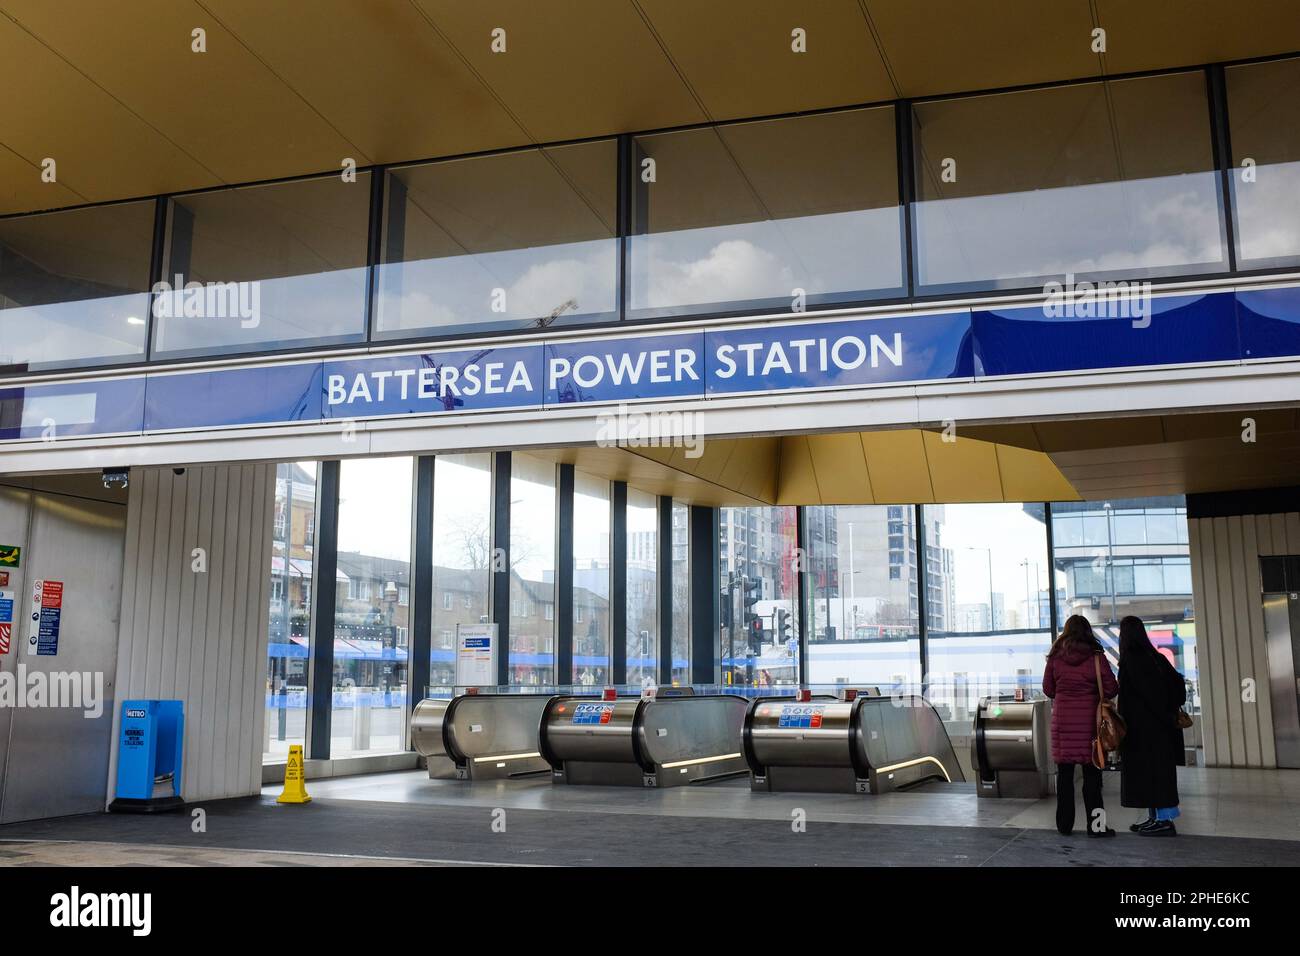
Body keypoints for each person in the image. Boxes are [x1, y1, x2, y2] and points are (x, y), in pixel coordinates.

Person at [1042, 614, 1118, 837]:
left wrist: (1065, 690)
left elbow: (1048, 689)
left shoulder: (1055, 657)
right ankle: (1097, 827)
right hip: (1090, 726)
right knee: (1093, 780)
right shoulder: (1096, 657)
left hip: (1063, 725)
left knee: (1064, 779)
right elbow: (1112, 688)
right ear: (1087, 632)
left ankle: (1064, 826)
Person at [1117, 616, 1187, 837]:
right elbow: (1177, 686)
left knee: (1153, 773)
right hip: (1161, 727)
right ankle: (1155, 817)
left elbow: (1140, 695)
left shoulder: (1131, 659)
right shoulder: (1156, 657)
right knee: (1156, 773)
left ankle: (1165, 820)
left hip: (1144, 729)